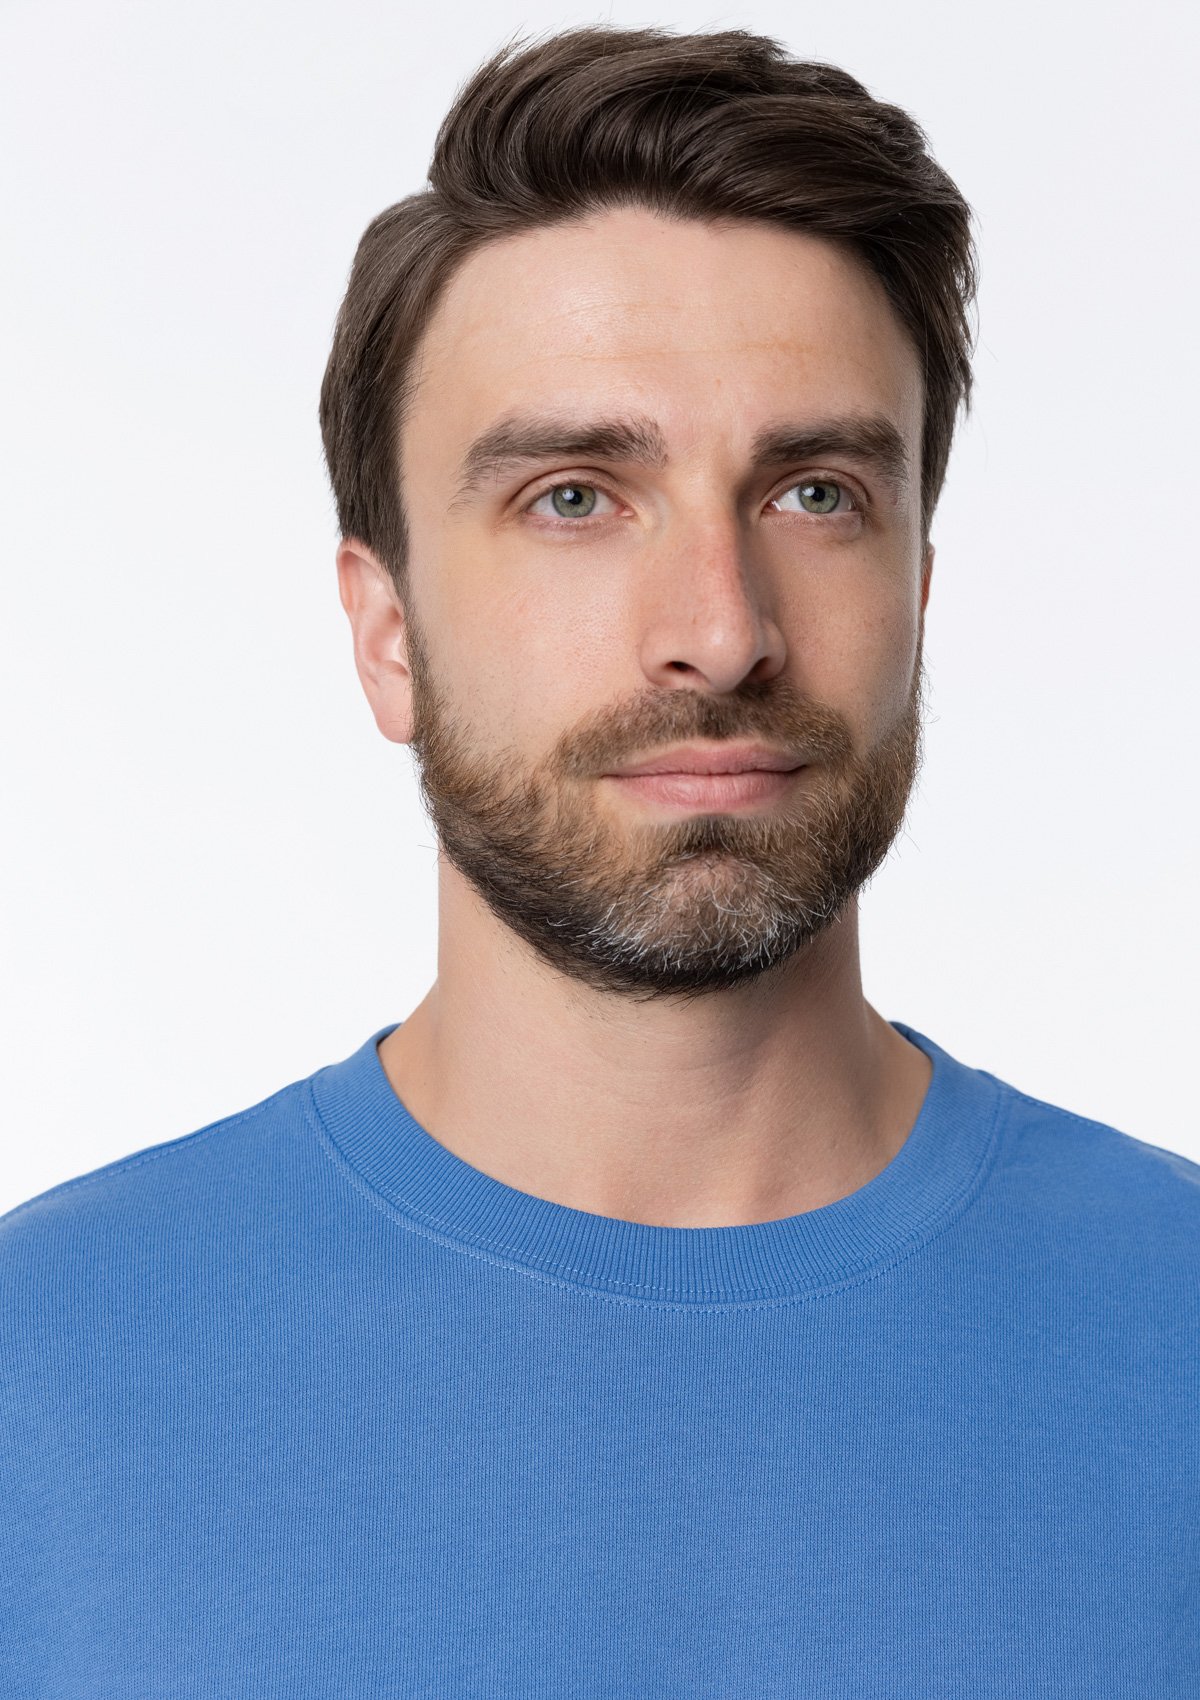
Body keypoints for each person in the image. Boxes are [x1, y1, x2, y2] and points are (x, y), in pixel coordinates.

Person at [2, 26, 1196, 1695]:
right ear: (387, 633)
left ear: (918, 592)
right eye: (574, 496)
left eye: (815, 494)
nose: (720, 630)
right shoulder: (41, 1378)